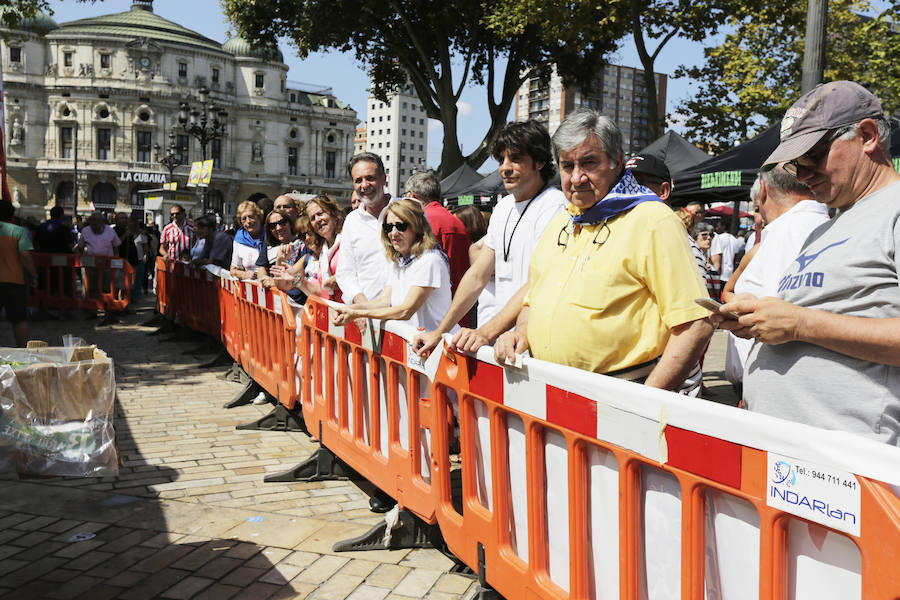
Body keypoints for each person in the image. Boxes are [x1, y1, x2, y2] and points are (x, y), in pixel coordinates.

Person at [717, 81, 900, 444]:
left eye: (812, 156)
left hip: (850, 467)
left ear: (867, 136)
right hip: (792, 462)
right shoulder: (828, 226)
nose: (802, 174)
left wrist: (801, 324)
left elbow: (805, 323)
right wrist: (758, 319)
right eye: (794, 164)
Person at [495, 108, 713, 392]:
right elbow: (532, 299)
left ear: (617, 162)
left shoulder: (653, 221)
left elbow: (695, 324)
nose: (576, 178)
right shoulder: (562, 220)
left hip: (618, 399)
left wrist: (643, 402)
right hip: (548, 394)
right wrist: (521, 331)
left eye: (588, 163)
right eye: (566, 166)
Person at [413, 121, 566, 356]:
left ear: (540, 161)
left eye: (515, 159)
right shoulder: (504, 206)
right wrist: (440, 331)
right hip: (499, 342)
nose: (505, 168)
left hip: (532, 345)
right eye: (501, 159)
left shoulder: (554, 206)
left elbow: (535, 283)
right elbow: (477, 275)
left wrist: (485, 333)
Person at [720, 170, 828, 391]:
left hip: (787, 389)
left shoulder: (782, 233)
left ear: (763, 191)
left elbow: (780, 319)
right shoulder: (834, 226)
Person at [627, 154, 707, 394]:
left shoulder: (681, 243)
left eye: (639, 183)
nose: (628, 190)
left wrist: (651, 393)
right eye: (622, 183)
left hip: (668, 389)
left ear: (663, 190)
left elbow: (696, 324)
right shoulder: (631, 236)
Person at [331, 198, 450, 331]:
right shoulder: (398, 262)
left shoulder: (430, 260)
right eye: (388, 227)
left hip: (438, 348)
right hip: (418, 346)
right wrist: (347, 309)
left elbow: (406, 310)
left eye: (401, 226)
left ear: (417, 227)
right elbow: (383, 302)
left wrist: (357, 313)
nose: (393, 233)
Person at [336, 153, 392, 306]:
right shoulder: (352, 221)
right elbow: (345, 272)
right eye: (358, 180)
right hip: (367, 319)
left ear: (384, 178)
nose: (364, 185)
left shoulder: (408, 210)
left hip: (407, 319)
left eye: (370, 178)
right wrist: (361, 305)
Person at [404, 171, 470, 298]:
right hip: (460, 302)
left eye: (405, 195)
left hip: (432, 304)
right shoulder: (457, 222)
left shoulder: (421, 222)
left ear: (412, 195)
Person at [276, 195, 343, 301]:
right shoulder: (324, 251)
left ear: (334, 214)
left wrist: (341, 278)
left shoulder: (347, 241)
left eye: (320, 214)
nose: (317, 220)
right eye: (312, 218)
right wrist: (296, 280)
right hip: (332, 312)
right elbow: (321, 292)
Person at [0, 201, 36, 346]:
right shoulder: (19, 231)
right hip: (14, 280)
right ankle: (21, 349)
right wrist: (34, 275)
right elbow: (25, 256)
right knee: (19, 319)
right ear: (11, 215)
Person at [257, 193, 303, 285]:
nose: (278, 228)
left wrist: (276, 282)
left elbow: (302, 277)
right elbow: (262, 266)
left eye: (286, 207)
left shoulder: (304, 237)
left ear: (296, 210)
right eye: (278, 207)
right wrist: (263, 279)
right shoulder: (270, 239)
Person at [230, 200, 264, 280]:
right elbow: (233, 270)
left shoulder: (270, 234)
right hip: (251, 288)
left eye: (251, 217)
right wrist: (244, 274)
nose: (248, 221)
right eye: (244, 219)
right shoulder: (239, 239)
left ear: (259, 216)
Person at [710, 217, 744, 283]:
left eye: (718, 226)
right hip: (729, 274)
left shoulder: (718, 238)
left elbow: (717, 256)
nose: (716, 228)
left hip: (719, 274)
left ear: (723, 226)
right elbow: (735, 258)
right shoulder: (734, 239)